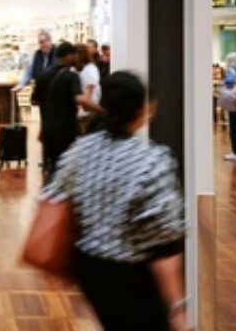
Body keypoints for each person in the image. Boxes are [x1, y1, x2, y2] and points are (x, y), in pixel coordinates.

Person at [40, 72, 187, 331]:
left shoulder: (82, 150)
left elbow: (55, 195)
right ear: (144, 111)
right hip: (130, 273)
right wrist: (177, 307)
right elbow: (164, 239)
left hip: (89, 267)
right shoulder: (152, 160)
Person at [32, 42, 101, 180]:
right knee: (69, 170)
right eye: (75, 55)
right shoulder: (71, 76)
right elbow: (81, 100)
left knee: (51, 170)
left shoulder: (43, 75)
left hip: (48, 130)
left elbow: (34, 100)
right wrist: (103, 110)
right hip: (67, 130)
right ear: (70, 56)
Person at [76, 43, 102, 128]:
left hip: (87, 114)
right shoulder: (83, 70)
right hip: (83, 113)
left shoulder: (90, 70)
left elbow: (88, 97)